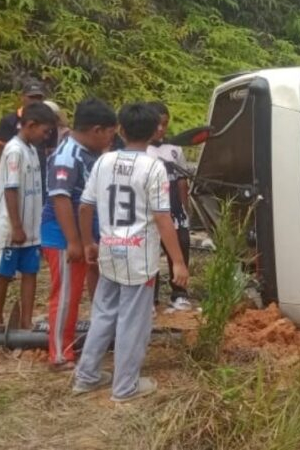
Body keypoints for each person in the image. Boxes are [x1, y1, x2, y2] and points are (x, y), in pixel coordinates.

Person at [73, 103, 188, 402]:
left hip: (109, 249)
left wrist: (88, 242)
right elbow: (163, 217)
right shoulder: (154, 167)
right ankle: (125, 387)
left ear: (120, 130)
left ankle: (86, 376)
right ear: (153, 132)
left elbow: (85, 206)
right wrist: (178, 261)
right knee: (133, 321)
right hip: (139, 255)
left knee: (103, 313)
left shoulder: (104, 161)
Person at [41, 98, 117, 371]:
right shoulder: (67, 155)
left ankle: (91, 343)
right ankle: (60, 354)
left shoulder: (87, 153)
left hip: (84, 237)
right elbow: (60, 198)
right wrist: (74, 241)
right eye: (110, 133)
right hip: (63, 236)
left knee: (86, 291)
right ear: (97, 130)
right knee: (65, 296)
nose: (111, 139)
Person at [0, 103, 58, 329]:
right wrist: (16, 226)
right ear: (31, 125)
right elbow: (11, 188)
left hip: (31, 227)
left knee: (30, 272)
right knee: (4, 273)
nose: (47, 137)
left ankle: (26, 320)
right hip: (12, 227)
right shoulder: (14, 150)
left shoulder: (32, 150)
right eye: (45, 131)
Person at [146, 102, 193, 311]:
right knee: (151, 254)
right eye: (156, 124)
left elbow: (182, 180)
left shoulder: (175, 149)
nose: (160, 129)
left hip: (175, 209)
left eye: (164, 124)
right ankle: (151, 298)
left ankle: (180, 294)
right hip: (152, 211)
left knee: (180, 249)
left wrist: (186, 207)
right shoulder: (143, 150)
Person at [0, 79, 57, 183]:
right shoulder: (9, 120)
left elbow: (51, 151)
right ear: (23, 97)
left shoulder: (48, 121)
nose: (35, 101)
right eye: (31, 97)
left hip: (39, 173)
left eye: (38, 98)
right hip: (14, 173)